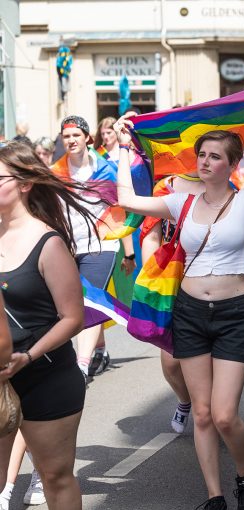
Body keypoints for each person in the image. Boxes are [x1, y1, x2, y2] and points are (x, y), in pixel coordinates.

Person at [112, 88, 244, 510]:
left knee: (223, 415)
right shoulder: (182, 202)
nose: (204, 162)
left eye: (215, 156)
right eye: (202, 155)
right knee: (200, 413)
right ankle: (214, 496)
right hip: (191, 311)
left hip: (236, 312)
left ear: (232, 164)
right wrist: (123, 148)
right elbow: (127, 199)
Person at [0, 141, 94, 510]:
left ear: (22, 184)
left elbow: (74, 318)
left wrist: (28, 356)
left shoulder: (48, 241)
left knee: (55, 477)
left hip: (45, 374)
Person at [55, 116, 136, 381]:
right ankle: (100, 349)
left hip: (101, 245)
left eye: (76, 135)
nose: (71, 141)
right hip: (67, 246)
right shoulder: (55, 172)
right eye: (66, 136)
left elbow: (120, 211)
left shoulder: (106, 171)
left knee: (88, 297)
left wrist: (129, 251)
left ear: (88, 138)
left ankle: (81, 364)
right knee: (81, 301)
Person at [140, 173, 206, 433]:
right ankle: (185, 400)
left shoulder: (221, 183)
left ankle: (210, 412)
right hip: (171, 280)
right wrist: (152, 280)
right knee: (171, 361)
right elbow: (151, 235)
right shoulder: (165, 186)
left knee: (209, 357)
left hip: (210, 280)